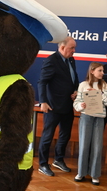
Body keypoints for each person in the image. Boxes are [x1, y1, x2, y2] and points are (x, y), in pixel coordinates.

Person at [37, 36, 79, 177]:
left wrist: (76, 90)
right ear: (62, 48)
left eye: (74, 48)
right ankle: (43, 164)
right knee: (48, 136)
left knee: (65, 135)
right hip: (52, 106)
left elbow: (73, 77)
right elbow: (42, 82)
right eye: (71, 48)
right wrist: (43, 101)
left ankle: (58, 160)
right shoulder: (51, 61)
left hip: (68, 105)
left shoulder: (71, 59)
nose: (74, 51)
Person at [73, 62, 107, 186]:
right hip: (86, 117)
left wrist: (100, 95)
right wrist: (80, 106)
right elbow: (77, 101)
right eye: (100, 70)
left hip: (99, 119)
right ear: (92, 71)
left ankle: (95, 175)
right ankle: (81, 173)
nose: (102, 73)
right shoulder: (83, 85)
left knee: (97, 148)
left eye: (103, 71)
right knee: (83, 146)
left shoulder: (104, 86)